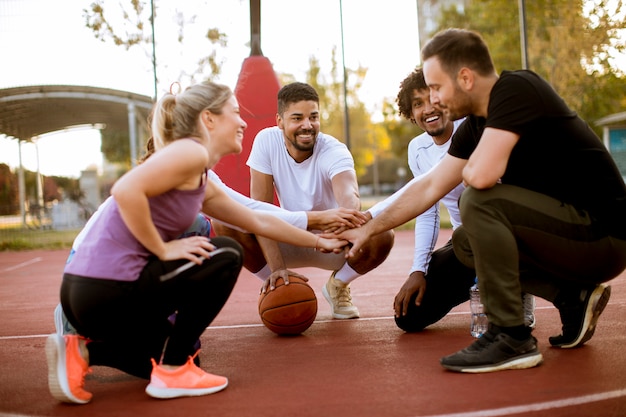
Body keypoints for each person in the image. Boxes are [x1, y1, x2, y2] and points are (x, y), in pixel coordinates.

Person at [335, 28, 626, 373]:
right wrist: (367, 227)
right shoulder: (475, 124)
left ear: (466, 78)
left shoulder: (517, 90)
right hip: (568, 238)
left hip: (604, 236)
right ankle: (571, 296)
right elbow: (428, 188)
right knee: (464, 241)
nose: (435, 100)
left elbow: (480, 178)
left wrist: (458, 172)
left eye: (437, 87)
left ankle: (511, 336)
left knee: (479, 202)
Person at [46, 81, 347, 404]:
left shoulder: (201, 176)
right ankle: (173, 372)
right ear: (209, 119)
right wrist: (163, 249)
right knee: (226, 254)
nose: (243, 122)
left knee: (187, 354)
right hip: (104, 290)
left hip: (92, 294)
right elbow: (124, 190)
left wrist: (318, 242)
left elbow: (259, 219)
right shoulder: (190, 151)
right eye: (235, 112)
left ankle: (84, 352)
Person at [369, 68, 535, 332]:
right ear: (411, 115)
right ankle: (480, 286)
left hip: (506, 233)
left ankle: (516, 286)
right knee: (409, 316)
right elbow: (427, 211)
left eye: (433, 98)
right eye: (417, 104)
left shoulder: (473, 127)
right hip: (466, 242)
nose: (428, 108)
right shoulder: (417, 150)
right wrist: (418, 270)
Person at [213, 82, 395, 319]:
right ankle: (278, 284)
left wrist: (338, 228)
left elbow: (350, 198)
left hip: (335, 240)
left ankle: (338, 285)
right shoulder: (266, 141)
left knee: (382, 234)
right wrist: (277, 268)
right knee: (224, 223)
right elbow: (259, 210)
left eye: (314, 117)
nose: (307, 125)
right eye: (297, 118)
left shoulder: (334, 150)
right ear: (280, 121)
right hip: (286, 235)